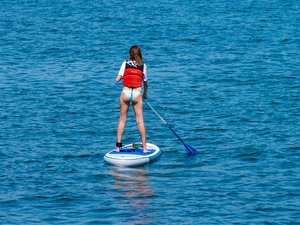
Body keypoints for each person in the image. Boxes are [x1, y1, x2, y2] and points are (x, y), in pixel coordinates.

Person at [115, 46, 149, 153]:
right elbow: (145, 83)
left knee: (122, 120)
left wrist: (122, 77)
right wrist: (145, 94)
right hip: (137, 93)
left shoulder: (125, 63)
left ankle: (118, 147)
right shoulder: (143, 66)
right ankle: (145, 148)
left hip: (126, 92)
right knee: (140, 121)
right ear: (140, 54)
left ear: (130, 53)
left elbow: (117, 79)